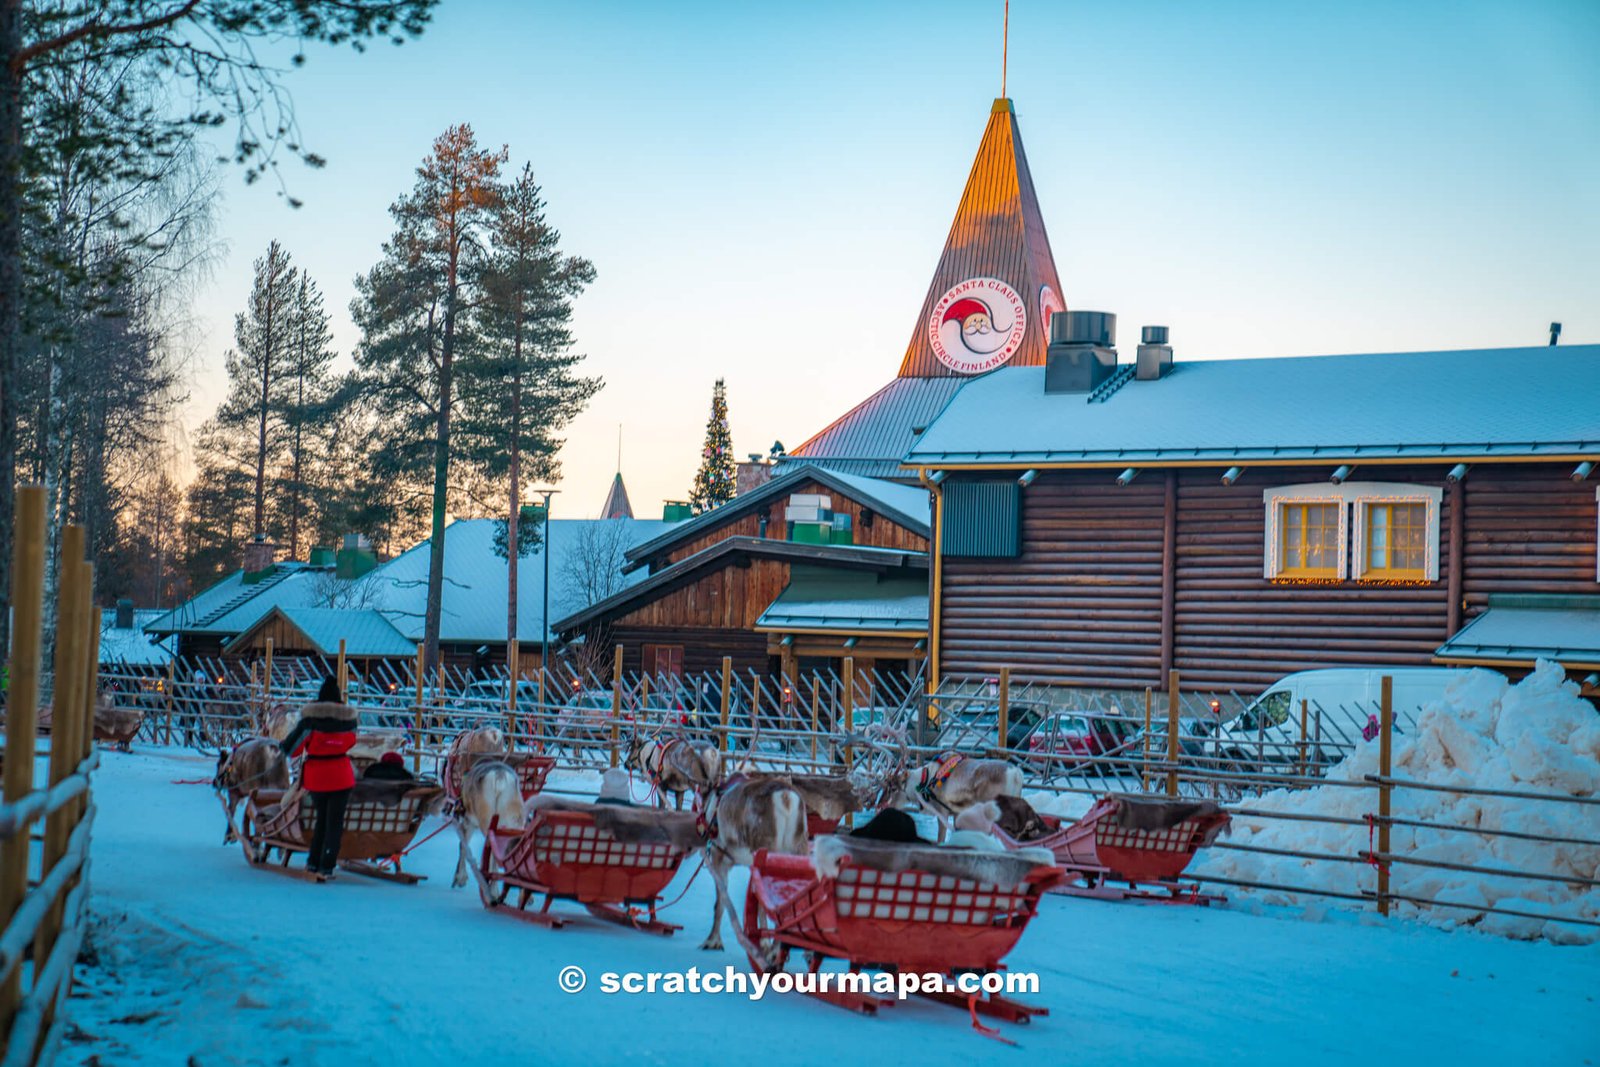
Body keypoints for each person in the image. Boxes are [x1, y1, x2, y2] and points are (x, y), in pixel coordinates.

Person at [279, 677, 359, 880]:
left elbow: (292, 749)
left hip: (317, 776)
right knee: (335, 823)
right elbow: (351, 742)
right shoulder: (348, 720)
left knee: (320, 821)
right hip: (342, 775)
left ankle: (313, 861)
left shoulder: (310, 721)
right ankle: (328, 864)